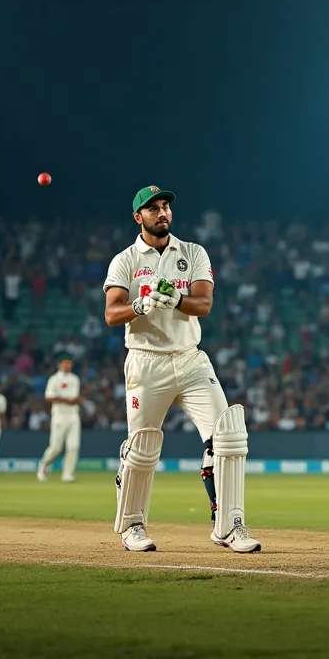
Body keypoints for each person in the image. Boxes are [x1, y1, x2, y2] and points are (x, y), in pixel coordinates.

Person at [103, 185, 260, 554]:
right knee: (141, 448)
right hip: (146, 361)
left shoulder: (192, 252)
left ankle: (230, 525)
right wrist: (139, 305)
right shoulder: (124, 260)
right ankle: (132, 526)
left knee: (228, 436)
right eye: (153, 208)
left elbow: (204, 303)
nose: (163, 213)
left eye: (166, 207)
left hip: (190, 358)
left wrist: (174, 297)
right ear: (137, 217)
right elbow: (112, 313)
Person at [37, 357, 82, 482]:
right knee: (56, 447)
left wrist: (75, 401)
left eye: (69, 363)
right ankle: (43, 465)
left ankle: (68, 474)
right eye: (64, 363)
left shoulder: (74, 379)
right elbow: (49, 397)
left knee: (73, 446)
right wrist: (66, 400)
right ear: (59, 365)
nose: (67, 365)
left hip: (73, 415)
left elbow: (74, 398)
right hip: (59, 416)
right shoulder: (54, 379)